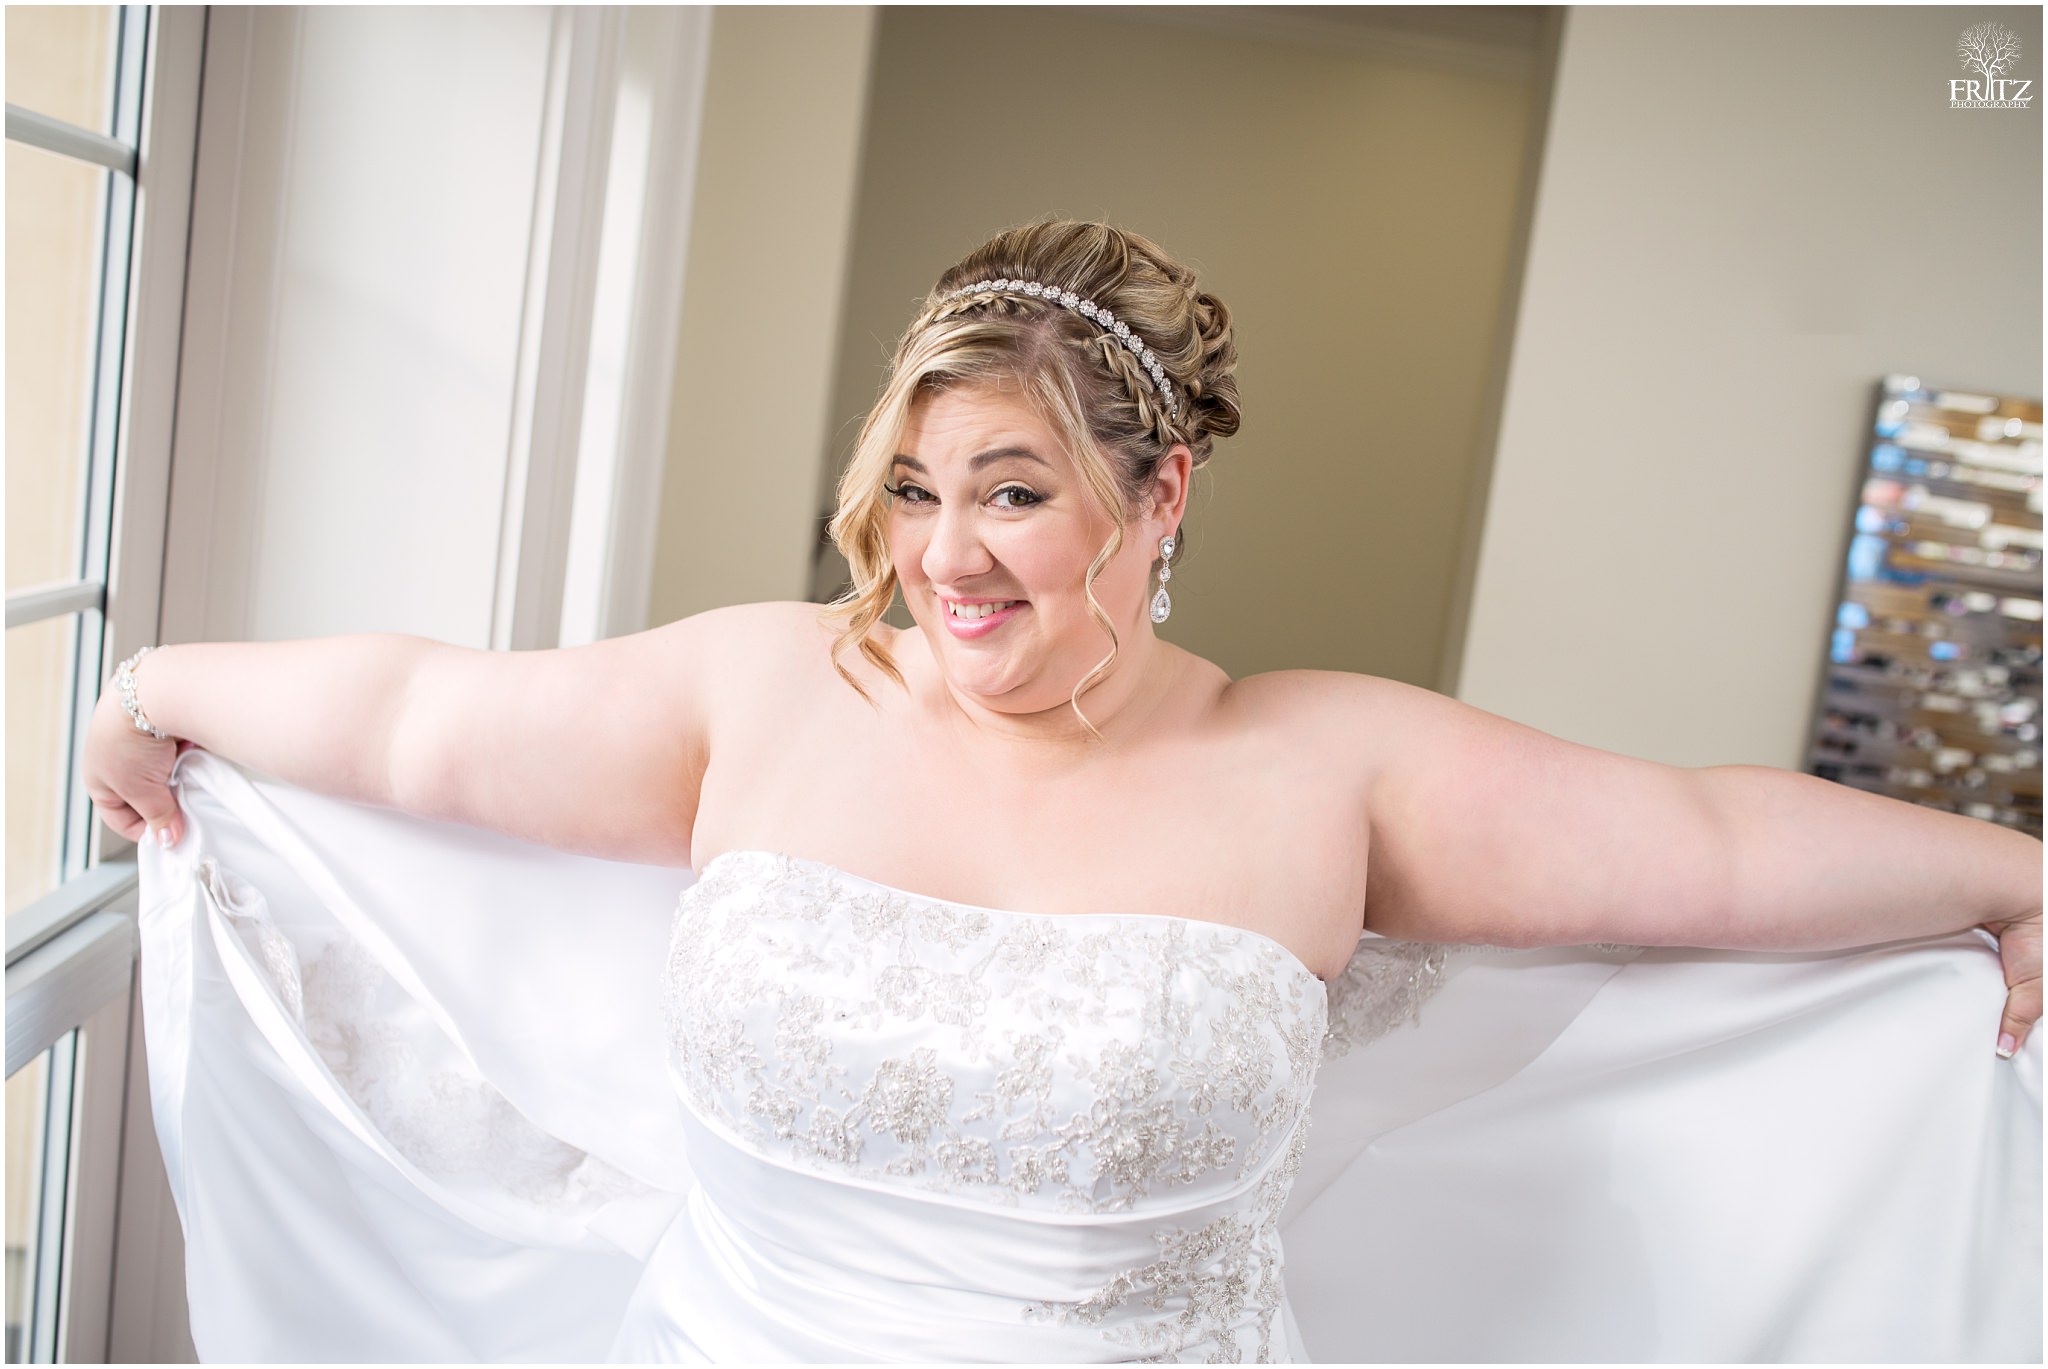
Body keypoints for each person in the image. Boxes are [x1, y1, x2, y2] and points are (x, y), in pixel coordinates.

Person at [85, 220, 2041, 1362]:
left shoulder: (1317, 765)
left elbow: (1695, 844)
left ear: (1157, 493)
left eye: (1011, 489)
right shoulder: (765, 688)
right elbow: (429, 718)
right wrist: (154, 682)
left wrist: (2011, 872)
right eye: (917, 490)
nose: (945, 557)